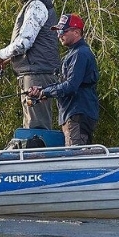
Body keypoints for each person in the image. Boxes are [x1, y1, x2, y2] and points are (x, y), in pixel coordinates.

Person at [0, 0, 61, 130]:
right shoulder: (35, 3)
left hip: (36, 75)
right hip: (35, 72)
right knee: (33, 125)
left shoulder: (37, 4)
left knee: (36, 128)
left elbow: (24, 42)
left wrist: (1, 55)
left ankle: (39, 156)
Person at [28, 13, 100, 146]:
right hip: (72, 114)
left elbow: (70, 86)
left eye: (63, 31)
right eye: (58, 31)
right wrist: (42, 90)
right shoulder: (73, 54)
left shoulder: (80, 54)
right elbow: (64, 84)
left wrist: (45, 93)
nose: (59, 35)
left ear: (77, 32)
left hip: (77, 113)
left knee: (76, 158)